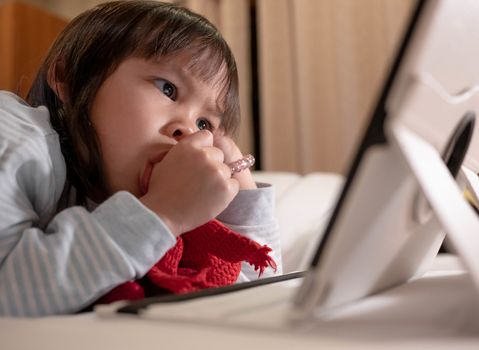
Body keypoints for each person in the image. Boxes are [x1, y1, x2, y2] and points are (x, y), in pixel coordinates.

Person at [0, 0, 281, 317]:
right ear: (70, 77)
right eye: (168, 89)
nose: (188, 131)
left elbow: (254, 306)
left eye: (205, 124)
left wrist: (242, 206)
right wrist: (163, 213)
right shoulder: (15, 132)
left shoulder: (130, 200)